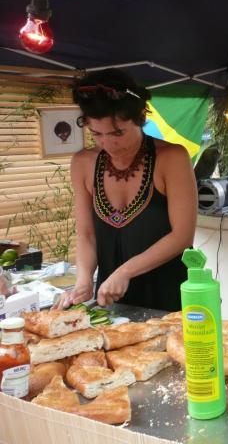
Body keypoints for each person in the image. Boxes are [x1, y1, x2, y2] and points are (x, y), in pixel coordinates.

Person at [54, 68, 197, 311]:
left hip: (168, 295)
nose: (108, 143)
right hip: (111, 300)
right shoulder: (83, 163)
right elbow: (87, 235)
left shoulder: (172, 158)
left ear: (141, 116)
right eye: (97, 134)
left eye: (117, 132)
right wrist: (84, 279)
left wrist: (125, 271)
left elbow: (182, 237)